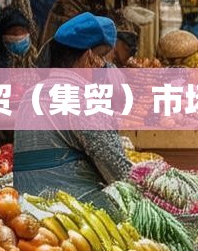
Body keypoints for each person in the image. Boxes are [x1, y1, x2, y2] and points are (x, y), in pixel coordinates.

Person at [14, 12, 132, 209]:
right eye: (102, 58)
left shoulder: (30, 95)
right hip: (72, 216)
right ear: (88, 57)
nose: (105, 66)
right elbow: (120, 174)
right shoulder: (82, 99)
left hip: (25, 212)